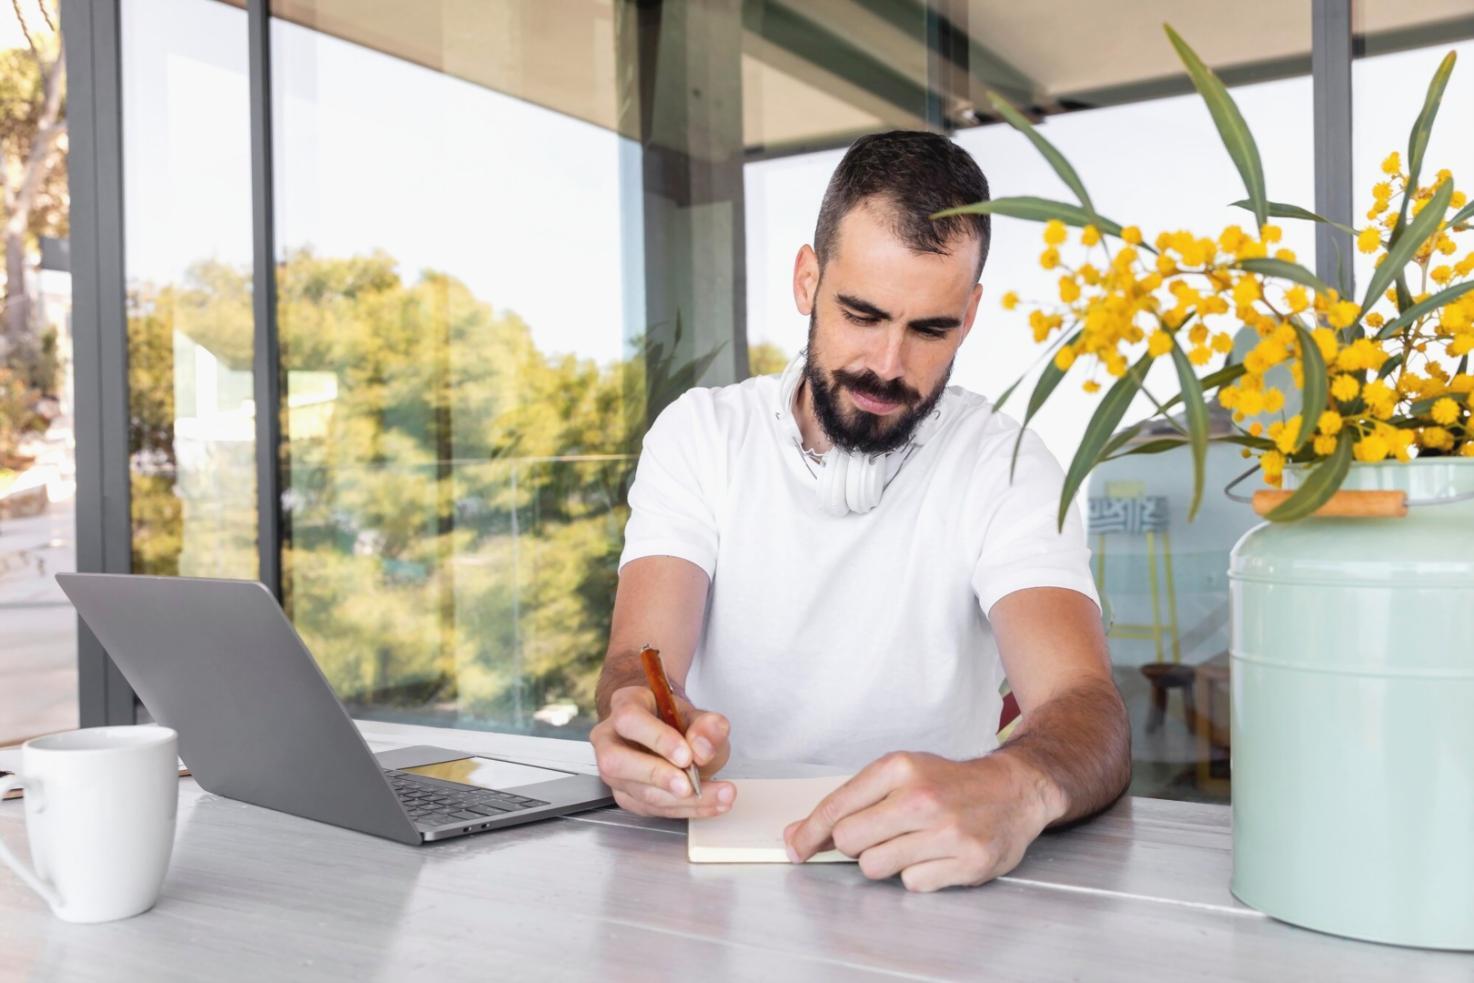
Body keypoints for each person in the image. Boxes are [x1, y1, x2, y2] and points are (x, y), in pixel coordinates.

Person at [590, 130, 1129, 893]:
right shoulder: (700, 435)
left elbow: (1086, 706)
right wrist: (636, 717)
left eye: (931, 329)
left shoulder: (1006, 463)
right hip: (707, 882)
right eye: (863, 314)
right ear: (807, 281)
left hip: (927, 887)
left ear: (970, 315)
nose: (887, 365)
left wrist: (1019, 786)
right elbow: (635, 659)